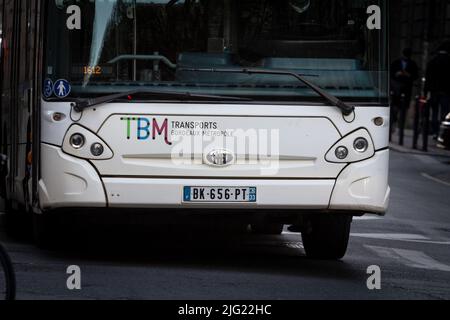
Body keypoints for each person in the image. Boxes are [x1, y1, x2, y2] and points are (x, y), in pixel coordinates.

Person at [390, 48, 419, 145]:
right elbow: (391, 73)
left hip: (406, 90)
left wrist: (408, 75)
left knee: (403, 110)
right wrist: (396, 74)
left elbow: (415, 76)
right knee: (394, 110)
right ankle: (393, 125)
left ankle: (400, 128)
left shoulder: (412, 64)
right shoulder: (396, 63)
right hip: (396, 90)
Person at [425, 41, 450, 139]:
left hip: (434, 91)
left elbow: (428, 79)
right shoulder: (449, 61)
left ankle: (435, 131)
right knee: (444, 112)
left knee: (434, 112)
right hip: (446, 92)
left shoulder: (433, 61)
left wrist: (426, 92)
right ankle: (442, 133)